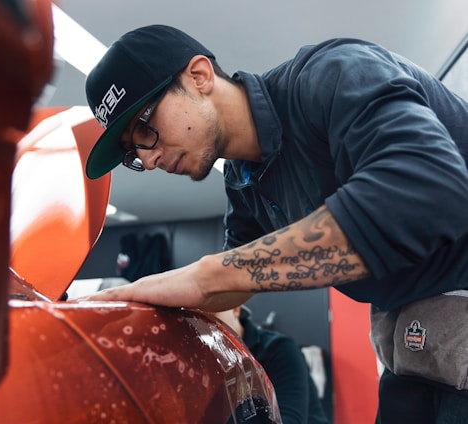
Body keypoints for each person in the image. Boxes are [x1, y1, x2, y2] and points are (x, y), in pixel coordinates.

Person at [82, 24, 468, 423]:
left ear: (199, 76)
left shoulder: (331, 75)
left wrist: (206, 275)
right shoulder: (241, 180)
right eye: (133, 152)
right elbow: (234, 287)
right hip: (413, 344)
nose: (147, 159)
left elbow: (429, 189)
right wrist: (138, 305)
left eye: (145, 128)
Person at [214, 305, 330, 424]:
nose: (204, 326)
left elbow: (291, 419)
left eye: (212, 315)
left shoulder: (278, 349)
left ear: (235, 309)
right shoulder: (206, 362)